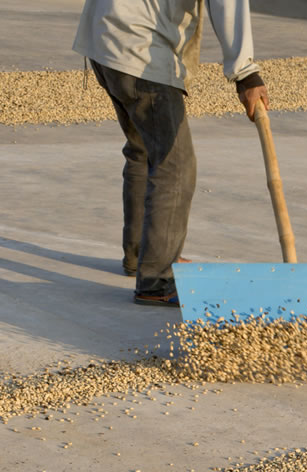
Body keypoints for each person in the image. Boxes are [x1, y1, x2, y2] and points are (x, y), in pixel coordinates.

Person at [73, 0, 269, 306]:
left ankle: (142, 255)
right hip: (139, 46)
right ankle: (155, 280)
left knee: (142, 149)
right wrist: (245, 73)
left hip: (104, 37)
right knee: (174, 164)